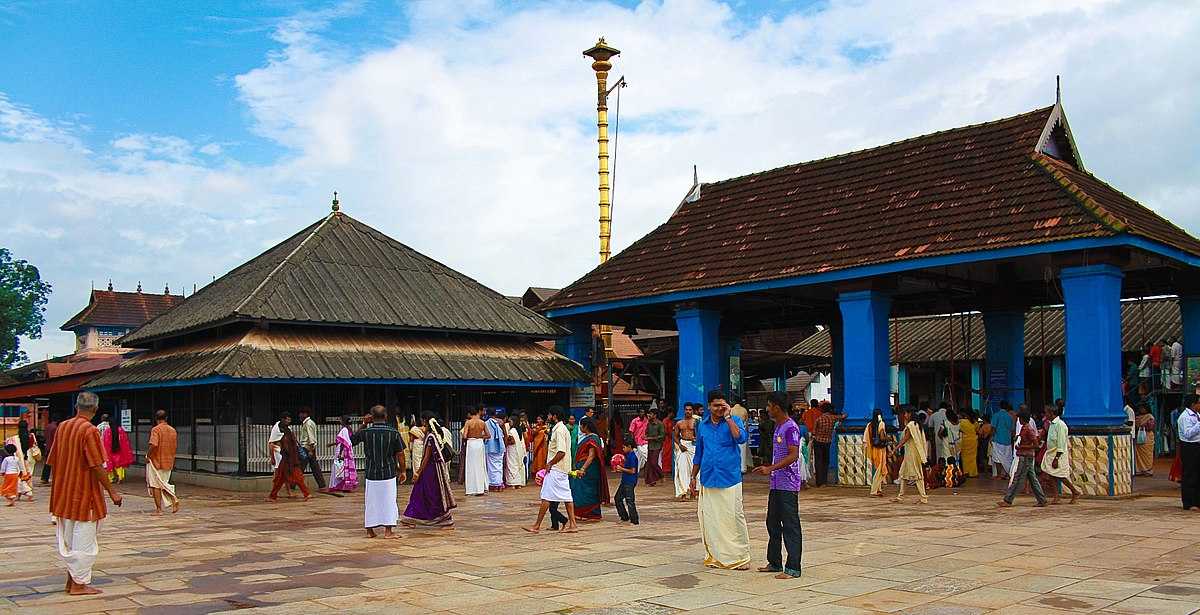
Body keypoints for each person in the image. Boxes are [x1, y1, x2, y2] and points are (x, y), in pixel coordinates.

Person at [48, 391, 123, 596]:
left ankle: (72, 581)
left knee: (70, 539)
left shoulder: (63, 427)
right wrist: (112, 491)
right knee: (84, 542)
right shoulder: (89, 430)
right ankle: (79, 585)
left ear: (76, 406)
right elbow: (97, 465)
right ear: (96, 409)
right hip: (84, 495)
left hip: (64, 493)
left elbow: (53, 459)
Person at [689, 389, 751, 570]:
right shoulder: (702, 425)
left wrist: (729, 417)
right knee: (711, 520)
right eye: (715, 405)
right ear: (709, 406)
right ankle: (716, 556)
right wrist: (693, 476)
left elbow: (740, 438)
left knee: (733, 517)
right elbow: (699, 453)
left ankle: (740, 557)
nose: (718, 409)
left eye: (722, 405)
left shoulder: (734, 421)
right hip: (708, 478)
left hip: (730, 478)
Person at [753, 392, 803, 579]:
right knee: (772, 522)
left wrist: (770, 468)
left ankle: (793, 567)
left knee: (790, 525)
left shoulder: (791, 428)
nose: (767, 409)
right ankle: (774, 562)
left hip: (788, 484)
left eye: (769, 405)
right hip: (776, 483)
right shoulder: (778, 426)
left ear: (776, 407)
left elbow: (793, 455)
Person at [351, 405, 405, 538]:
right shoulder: (393, 432)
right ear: (385, 416)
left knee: (371, 502)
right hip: (388, 472)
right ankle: (388, 531)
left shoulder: (366, 432)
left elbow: (352, 440)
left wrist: (364, 424)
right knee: (389, 501)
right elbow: (400, 453)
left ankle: (370, 530)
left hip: (371, 473)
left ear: (371, 417)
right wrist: (403, 471)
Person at [524, 407, 578, 534]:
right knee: (566, 496)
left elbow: (561, 451)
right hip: (562, 468)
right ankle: (573, 524)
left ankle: (537, 525)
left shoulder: (559, 430)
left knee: (546, 496)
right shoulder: (562, 428)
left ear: (554, 416)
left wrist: (550, 463)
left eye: (549, 414)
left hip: (557, 468)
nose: (548, 416)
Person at [402, 411, 456, 528]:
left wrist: (418, 472)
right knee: (430, 493)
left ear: (424, 421)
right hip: (434, 470)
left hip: (429, 470)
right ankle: (421, 516)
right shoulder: (434, 435)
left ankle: (414, 517)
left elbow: (426, 457)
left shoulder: (431, 436)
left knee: (424, 493)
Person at [999, 408, 1047, 508]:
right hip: (1026, 456)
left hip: (1025, 456)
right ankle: (1042, 499)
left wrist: (1021, 447)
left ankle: (1008, 500)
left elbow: (1036, 445)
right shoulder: (1024, 428)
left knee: (1018, 478)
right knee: (1033, 479)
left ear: (1022, 419)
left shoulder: (1028, 429)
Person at [570, 417, 609, 520]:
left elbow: (591, 456)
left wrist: (583, 468)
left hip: (589, 471)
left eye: (581, 426)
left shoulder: (593, 438)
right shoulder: (587, 437)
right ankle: (581, 513)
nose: (580, 428)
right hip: (584, 469)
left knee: (588, 492)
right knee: (579, 490)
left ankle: (590, 514)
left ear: (585, 426)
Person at [1041, 404, 1080, 504]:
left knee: (1060, 475)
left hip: (1058, 454)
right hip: (1050, 453)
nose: (1045, 414)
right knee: (1051, 475)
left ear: (1051, 413)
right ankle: (1056, 496)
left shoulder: (1060, 425)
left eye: (1047, 412)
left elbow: (1061, 443)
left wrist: (1056, 458)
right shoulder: (1052, 424)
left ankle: (1074, 491)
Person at [891, 407, 928, 504]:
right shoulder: (917, 425)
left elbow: (905, 439)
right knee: (903, 474)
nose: (904, 415)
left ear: (910, 414)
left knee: (917, 475)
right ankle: (900, 496)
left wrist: (895, 448)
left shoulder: (911, 425)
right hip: (912, 453)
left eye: (906, 414)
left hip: (912, 453)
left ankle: (923, 497)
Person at [146, 410, 179, 514]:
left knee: (156, 485)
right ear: (166, 418)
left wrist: (148, 455)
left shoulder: (156, 430)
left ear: (156, 419)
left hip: (157, 461)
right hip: (169, 460)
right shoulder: (173, 430)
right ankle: (173, 499)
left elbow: (154, 444)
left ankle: (159, 509)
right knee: (163, 483)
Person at [268, 421, 311, 502]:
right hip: (292, 460)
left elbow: (287, 449)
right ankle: (273, 496)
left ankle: (306, 493)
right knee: (281, 479)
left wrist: (274, 457)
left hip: (287, 461)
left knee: (282, 479)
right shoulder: (291, 435)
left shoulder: (285, 437)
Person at [811, 406, 843, 487]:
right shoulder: (833, 418)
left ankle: (819, 482)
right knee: (825, 461)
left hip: (818, 442)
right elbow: (843, 416)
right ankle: (824, 481)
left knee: (818, 461)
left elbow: (814, 432)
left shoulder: (819, 419)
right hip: (827, 442)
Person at [296, 408, 327, 491]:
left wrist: (310, 450)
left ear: (306, 414)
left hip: (307, 448)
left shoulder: (308, 424)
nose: (300, 415)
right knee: (315, 467)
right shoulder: (309, 423)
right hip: (309, 448)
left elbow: (311, 438)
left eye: (301, 413)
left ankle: (292, 485)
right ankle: (322, 485)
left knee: (299, 467)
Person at [1178, 395, 1200, 511]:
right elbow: (1188, 434)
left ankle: (1197, 500)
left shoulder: (1197, 415)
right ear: (1193, 404)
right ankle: (1189, 502)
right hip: (1189, 447)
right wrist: (1199, 425)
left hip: (1197, 446)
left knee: (1197, 474)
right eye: (1198, 403)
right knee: (1190, 474)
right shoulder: (1185, 417)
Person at [327, 415, 359, 493]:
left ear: (343, 421)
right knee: (344, 469)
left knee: (339, 468)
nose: (339, 421)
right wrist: (332, 444)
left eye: (340, 420)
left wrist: (340, 453)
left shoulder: (344, 430)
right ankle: (345, 486)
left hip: (342, 451)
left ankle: (339, 485)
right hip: (347, 452)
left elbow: (343, 443)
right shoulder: (349, 429)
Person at [863, 409, 890, 497]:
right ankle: (874, 490)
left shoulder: (869, 425)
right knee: (880, 470)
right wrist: (888, 438)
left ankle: (878, 489)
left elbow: (867, 438)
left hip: (874, 448)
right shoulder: (881, 423)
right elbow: (882, 437)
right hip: (880, 450)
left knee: (879, 469)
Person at [462, 407, 488, 496]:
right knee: (480, 465)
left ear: (470, 414)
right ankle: (480, 488)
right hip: (480, 443)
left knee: (470, 466)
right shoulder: (482, 422)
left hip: (471, 443)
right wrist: (480, 437)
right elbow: (488, 435)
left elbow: (465, 436)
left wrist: (470, 436)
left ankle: (471, 489)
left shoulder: (468, 422)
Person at [614, 434, 640, 525]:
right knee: (617, 498)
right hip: (624, 481)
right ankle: (624, 517)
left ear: (629, 447)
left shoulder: (632, 456)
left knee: (630, 500)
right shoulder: (628, 455)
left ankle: (634, 520)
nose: (623, 449)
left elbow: (633, 471)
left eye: (624, 447)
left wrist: (621, 469)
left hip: (630, 481)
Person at [674, 404, 697, 500]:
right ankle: (683, 492)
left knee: (694, 469)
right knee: (682, 469)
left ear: (693, 411)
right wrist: (680, 445)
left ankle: (693, 491)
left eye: (690, 410)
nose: (688, 411)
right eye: (686, 410)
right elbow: (675, 436)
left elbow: (699, 434)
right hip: (683, 445)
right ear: (684, 411)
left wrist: (696, 439)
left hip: (693, 446)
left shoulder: (696, 422)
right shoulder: (679, 423)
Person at [100, 416, 132, 484]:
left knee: (110, 464)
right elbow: (125, 441)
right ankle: (120, 478)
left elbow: (104, 441)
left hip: (109, 450)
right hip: (119, 450)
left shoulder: (107, 431)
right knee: (119, 464)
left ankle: (111, 479)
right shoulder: (120, 430)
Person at [990, 402, 1015, 479]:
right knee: (1007, 458)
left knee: (997, 458)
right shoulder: (1010, 417)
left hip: (998, 439)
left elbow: (993, 428)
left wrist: (991, 437)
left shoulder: (996, 415)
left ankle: (999, 475)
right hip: (1007, 440)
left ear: (1000, 407)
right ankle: (1007, 474)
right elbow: (1012, 429)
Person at [485, 409, 507, 491]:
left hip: (491, 447)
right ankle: (499, 484)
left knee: (491, 467)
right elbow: (504, 434)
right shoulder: (500, 422)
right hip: (500, 447)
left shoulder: (486, 423)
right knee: (499, 466)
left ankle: (494, 484)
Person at [505, 414, 527, 488]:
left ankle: (513, 483)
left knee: (512, 465)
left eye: (510, 421)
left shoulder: (512, 430)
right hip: (518, 450)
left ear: (514, 422)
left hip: (512, 449)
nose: (509, 423)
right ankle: (519, 483)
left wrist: (505, 441)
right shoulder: (519, 430)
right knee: (517, 465)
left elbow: (512, 441)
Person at [643, 411, 665, 486]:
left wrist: (650, 438)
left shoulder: (660, 424)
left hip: (657, 445)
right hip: (650, 445)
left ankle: (661, 475)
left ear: (655, 415)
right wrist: (645, 436)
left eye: (651, 414)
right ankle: (652, 481)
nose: (649, 415)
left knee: (654, 462)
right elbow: (646, 433)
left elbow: (662, 436)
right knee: (649, 463)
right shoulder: (649, 424)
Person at [1134, 404, 1156, 476]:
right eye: (1140, 408)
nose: (1142, 410)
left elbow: (1151, 427)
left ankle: (1148, 469)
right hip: (1139, 436)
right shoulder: (1137, 416)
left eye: (1143, 408)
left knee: (1147, 454)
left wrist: (1143, 425)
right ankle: (1139, 470)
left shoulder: (1150, 416)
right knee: (1138, 454)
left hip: (1148, 436)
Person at [731, 399, 751, 472]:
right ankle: (743, 468)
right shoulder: (744, 410)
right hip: (742, 431)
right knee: (743, 452)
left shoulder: (731, 410)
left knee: (734, 451)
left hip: (733, 432)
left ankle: (735, 467)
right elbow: (746, 423)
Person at [958, 409, 979, 478]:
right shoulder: (975, 422)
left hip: (965, 441)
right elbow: (977, 430)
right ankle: (973, 473)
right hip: (973, 441)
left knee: (965, 458)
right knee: (973, 458)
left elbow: (958, 428)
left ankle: (966, 472)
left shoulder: (962, 422)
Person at [40, 417, 58, 485]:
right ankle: (55, 478)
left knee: (47, 463)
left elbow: (44, 436)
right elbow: (55, 438)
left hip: (47, 447)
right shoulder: (55, 428)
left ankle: (44, 478)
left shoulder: (47, 426)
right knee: (55, 464)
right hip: (52, 448)